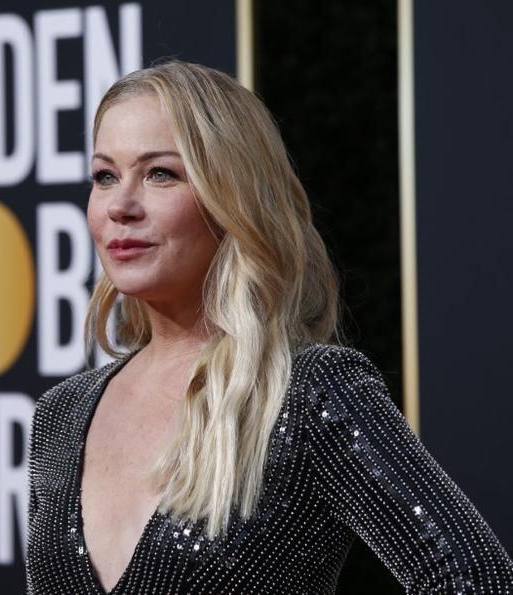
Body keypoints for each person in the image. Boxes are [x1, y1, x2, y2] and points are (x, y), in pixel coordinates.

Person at [25, 61, 513, 594]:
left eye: (160, 173)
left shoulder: (311, 391)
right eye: (104, 176)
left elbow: (473, 575)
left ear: (231, 195)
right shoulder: (61, 415)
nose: (120, 205)